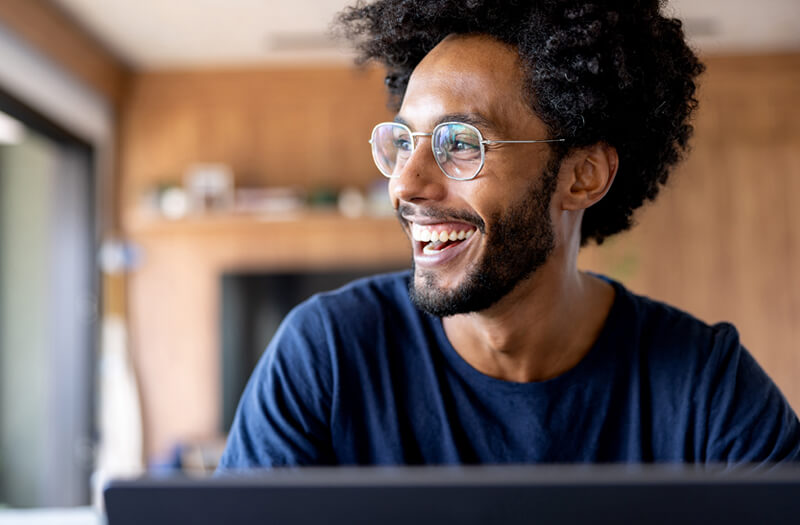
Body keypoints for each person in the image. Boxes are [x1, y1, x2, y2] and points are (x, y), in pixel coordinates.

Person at [218, 0, 800, 468]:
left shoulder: (705, 385)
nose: (406, 185)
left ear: (582, 175)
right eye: (403, 142)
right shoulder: (327, 355)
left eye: (460, 143)